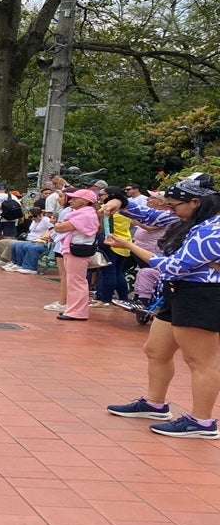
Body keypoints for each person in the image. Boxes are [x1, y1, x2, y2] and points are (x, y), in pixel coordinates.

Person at [105, 174, 220, 439]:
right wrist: (118, 203)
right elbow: (150, 217)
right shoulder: (192, 218)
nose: (169, 210)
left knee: (200, 361)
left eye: (173, 205)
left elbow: (175, 266)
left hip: (202, 294)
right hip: (178, 292)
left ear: (194, 201)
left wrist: (129, 245)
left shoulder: (212, 230)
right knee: (156, 349)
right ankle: (155, 404)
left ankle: (202, 422)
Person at [50, 189, 100, 321]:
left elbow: (60, 227)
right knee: (74, 280)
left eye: (74, 198)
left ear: (85, 201)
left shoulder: (85, 215)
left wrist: (58, 225)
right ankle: (73, 309)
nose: (70, 201)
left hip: (77, 250)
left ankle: (78, 312)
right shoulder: (81, 213)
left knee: (76, 281)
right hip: (73, 249)